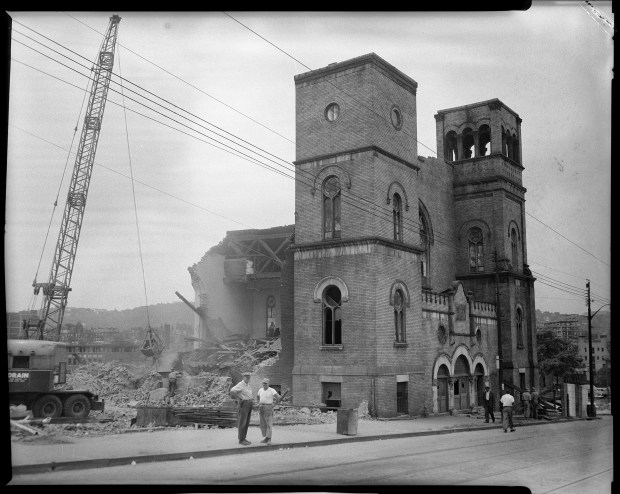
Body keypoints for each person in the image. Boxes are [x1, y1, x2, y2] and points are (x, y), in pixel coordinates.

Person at [230, 371, 254, 445]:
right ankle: (241, 439)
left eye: (249, 377)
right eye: (246, 377)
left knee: (246, 422)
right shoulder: (241, 384)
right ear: (243, 377)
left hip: (249, 404)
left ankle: (244, 438)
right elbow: (232, 391)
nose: (248, 378)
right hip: (244, 404)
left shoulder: (248, 385)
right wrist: (238, 399)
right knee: (242, 422)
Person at [256, 378, 281, 444]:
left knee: (269, 423)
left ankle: (269, 438)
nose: (264, 384)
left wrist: (274, 404)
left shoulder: (271, 390)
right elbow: (258, 397)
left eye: (266, 383)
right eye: (263, 383)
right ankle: (266, 438)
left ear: (268, 384)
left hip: (268, 407)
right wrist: (258, 403)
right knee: (263, 423)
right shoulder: (260, 390)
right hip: (261, 407)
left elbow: (278, 397)